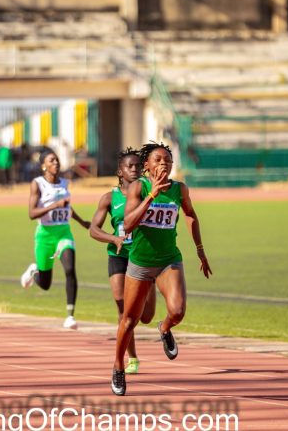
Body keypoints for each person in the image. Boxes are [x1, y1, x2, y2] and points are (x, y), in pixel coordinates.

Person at [110, 142, 212, 396]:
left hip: (169, 261)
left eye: (168, 160)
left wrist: (199, 249)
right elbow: (129, 224)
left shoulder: (179, 189)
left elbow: (190, 214)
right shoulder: (138, 188)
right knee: (130, 320)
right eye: (158, 160)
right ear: (147, 166)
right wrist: (151, 195)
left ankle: (164, 328)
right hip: (141, 263)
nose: (164, 164)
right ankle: (118, 366)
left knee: (177, 312)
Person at [89, 148, 156, 374]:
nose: (135, 170)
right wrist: (114, 238)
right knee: (123, 308)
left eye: (138, 166)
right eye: (130, 166)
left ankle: (151, 285)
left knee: (146, 317)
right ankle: (132, 357)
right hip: (118, 256)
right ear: (120, 171)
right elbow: (93, 229)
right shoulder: (109, 198)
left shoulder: (148, 192)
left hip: (143, 257)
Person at [20, 149, 90, 329]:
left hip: (63, 233)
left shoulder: (65, 183)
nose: (56, 163)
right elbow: (31, 213)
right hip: (45, 236)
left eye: (57, 160)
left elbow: (67, 208)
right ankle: (34, 271)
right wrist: (54, 205)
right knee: (45, 284)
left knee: (70, 269)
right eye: (52, 161)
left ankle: (70, 316)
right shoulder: (38, 184)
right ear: (44, 165)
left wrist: (82, 222)